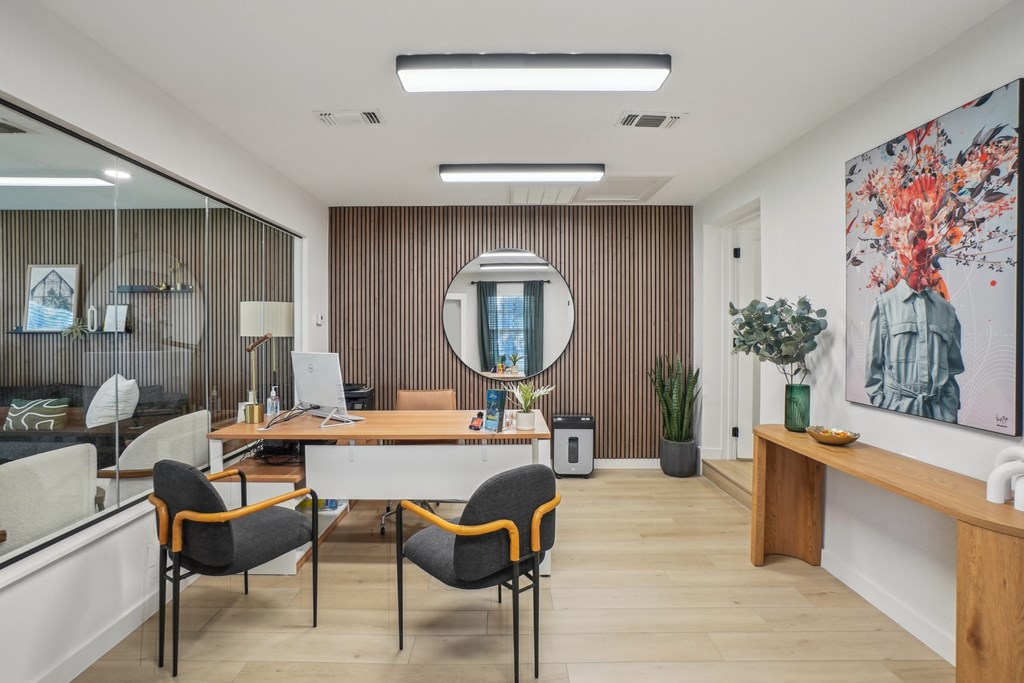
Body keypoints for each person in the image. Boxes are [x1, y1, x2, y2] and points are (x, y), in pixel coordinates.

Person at [865, 279, 963, 422]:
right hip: (895, 410)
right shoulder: (885, 304)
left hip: (939, 413)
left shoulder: (947, 310)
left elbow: (953, 369)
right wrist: (881, 403)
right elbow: (873, 365)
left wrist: (950, 407)